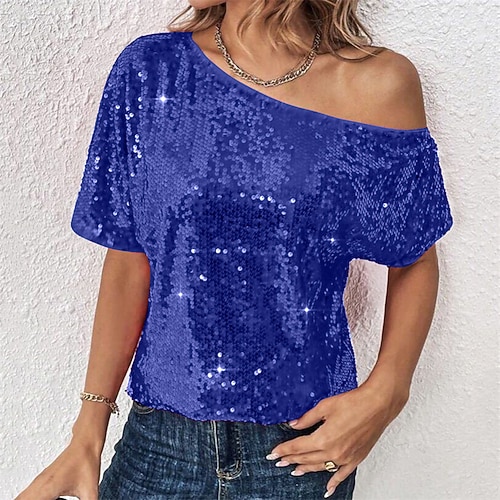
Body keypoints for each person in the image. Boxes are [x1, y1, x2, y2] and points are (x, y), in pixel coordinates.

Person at [16, 0, 454, 499]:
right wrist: (87, 433)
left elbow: (414, 254)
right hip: (159, 444)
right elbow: (132, 255)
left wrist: (388, 392)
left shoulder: (378, 84)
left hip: (300, 450)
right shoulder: (151, 71)